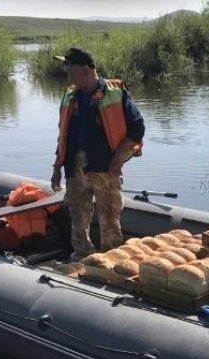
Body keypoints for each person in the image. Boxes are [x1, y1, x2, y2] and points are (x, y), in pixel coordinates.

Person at [50, 47, 145, 260]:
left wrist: (119, 157)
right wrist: (57, 167)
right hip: (75, 165)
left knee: (110, 217)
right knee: (77, 215)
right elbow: (63, 134)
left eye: (71, 70)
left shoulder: (116, 92)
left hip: (106, 166)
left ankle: (112, 262)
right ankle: (83, 256)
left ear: (85, 69)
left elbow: (137, 128)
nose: (68, 76)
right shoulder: (70, 94)